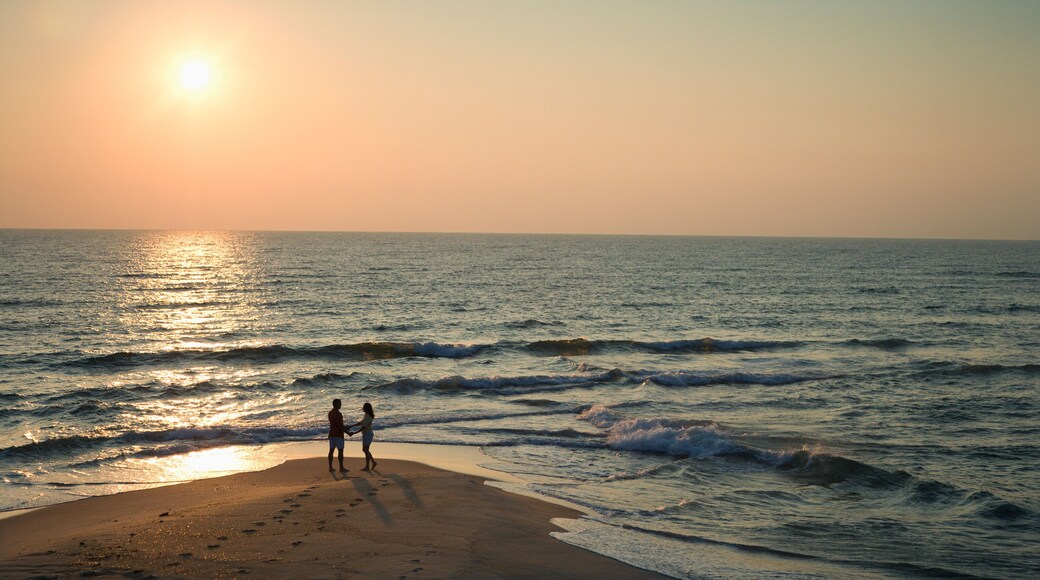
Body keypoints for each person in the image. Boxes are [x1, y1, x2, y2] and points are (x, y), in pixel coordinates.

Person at [348, 402, 377, 471]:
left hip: (367, 434)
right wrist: (351, 426)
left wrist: (354, 433)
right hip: (367, 434)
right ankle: (371, 464)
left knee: (365, 450)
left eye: (363, 407)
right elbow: (360, 423)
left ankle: (371, 464)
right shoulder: (366, 415)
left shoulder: (368, 416)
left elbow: (363, 427)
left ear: (366, 408)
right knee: (366, 450)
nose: (362, 408)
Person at [328, 398, 347, 473]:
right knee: (340, 451)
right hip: (338, 435)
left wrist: (344, 427)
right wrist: (348, 432)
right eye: (339, 404)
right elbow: (340, 426)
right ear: (336, 404)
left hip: (332, 434)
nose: (341, 405)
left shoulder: (330, 413)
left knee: (331, 451)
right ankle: (341, 468)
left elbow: (335, 424)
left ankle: (330, 467)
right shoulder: (339, 414)